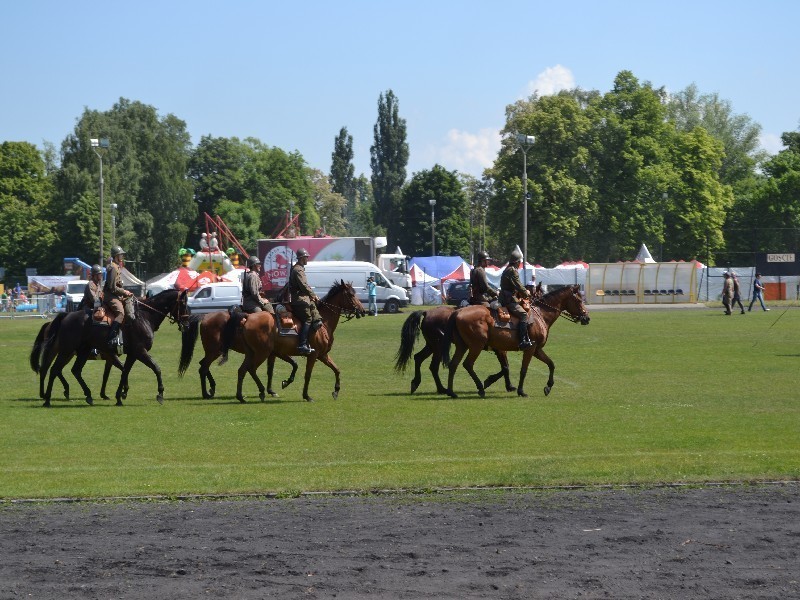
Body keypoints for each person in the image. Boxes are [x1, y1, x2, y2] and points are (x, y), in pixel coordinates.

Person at [288, 248, 321, 354]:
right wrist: (313, 295)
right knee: (308, 319)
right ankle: (302, 344)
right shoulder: (298, 269)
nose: (308, 259)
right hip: (299, 300)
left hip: (301, 298)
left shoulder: (298, 268)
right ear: (302, 258)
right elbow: (304, 285)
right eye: (306, 257)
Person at [499, 248, 533, 349]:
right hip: (508, 299)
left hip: (506, 297)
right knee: (523, 314)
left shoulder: (508, 269)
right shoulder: (512, 271)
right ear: (517, 262)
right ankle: (522, 340)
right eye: (520, 262)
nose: (520, 264)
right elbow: (518, 285)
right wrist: (526, 293)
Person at [103, 246, 134, 349]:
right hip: (110, 296)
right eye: (121, 254)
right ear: (116, 256)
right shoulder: (113, 268)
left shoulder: (116, 266)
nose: (122, 256)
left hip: (116, 295)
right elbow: (112, 288)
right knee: (120, 313)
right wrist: (124, 292)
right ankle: (111, 338)